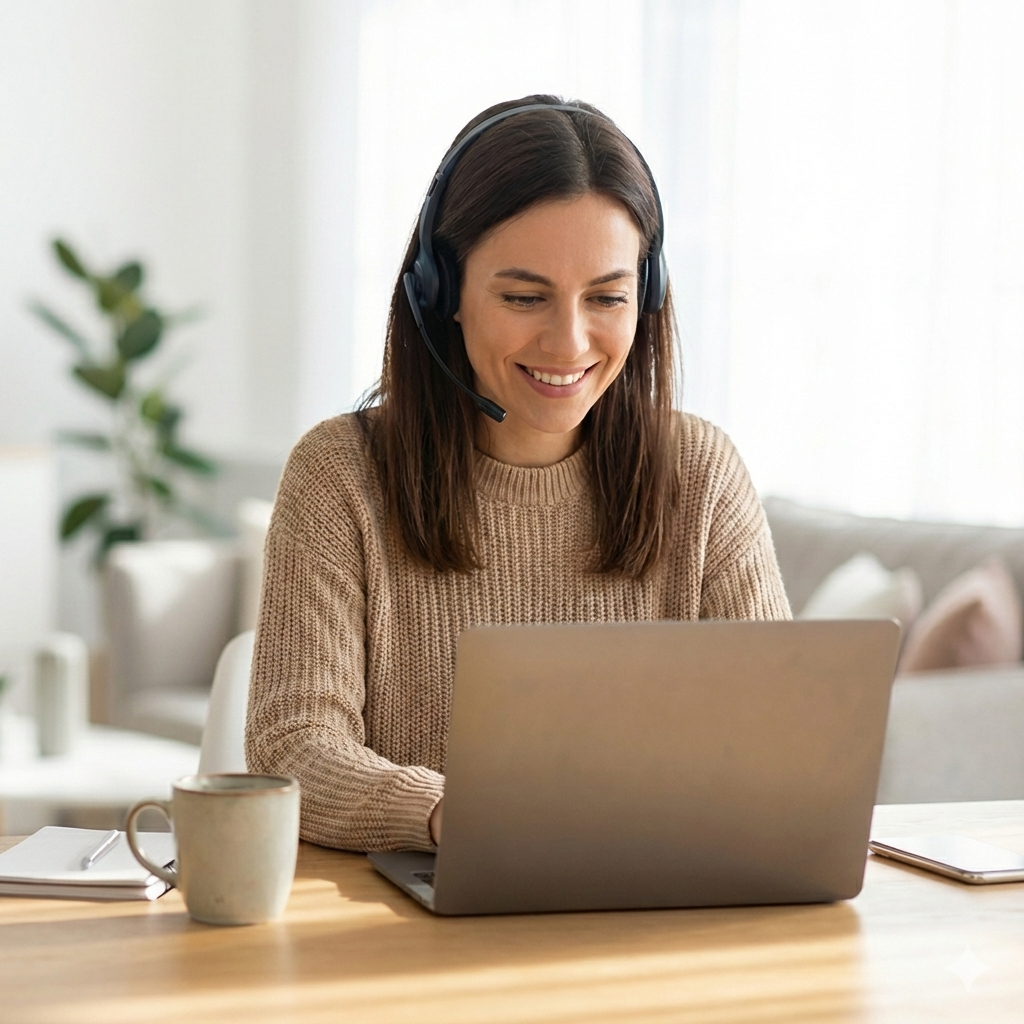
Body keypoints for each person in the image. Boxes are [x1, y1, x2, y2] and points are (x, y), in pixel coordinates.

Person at [245, 95, 791, 853]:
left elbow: (782, 744)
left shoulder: (700, 474)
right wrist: (454, 815)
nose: (569, 342)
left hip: (654, 916)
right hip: (415, 931)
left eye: (606, 297)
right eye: (525, 297)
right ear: (443, 294)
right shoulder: (339, 475)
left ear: (648, 297)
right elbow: (291, 745)